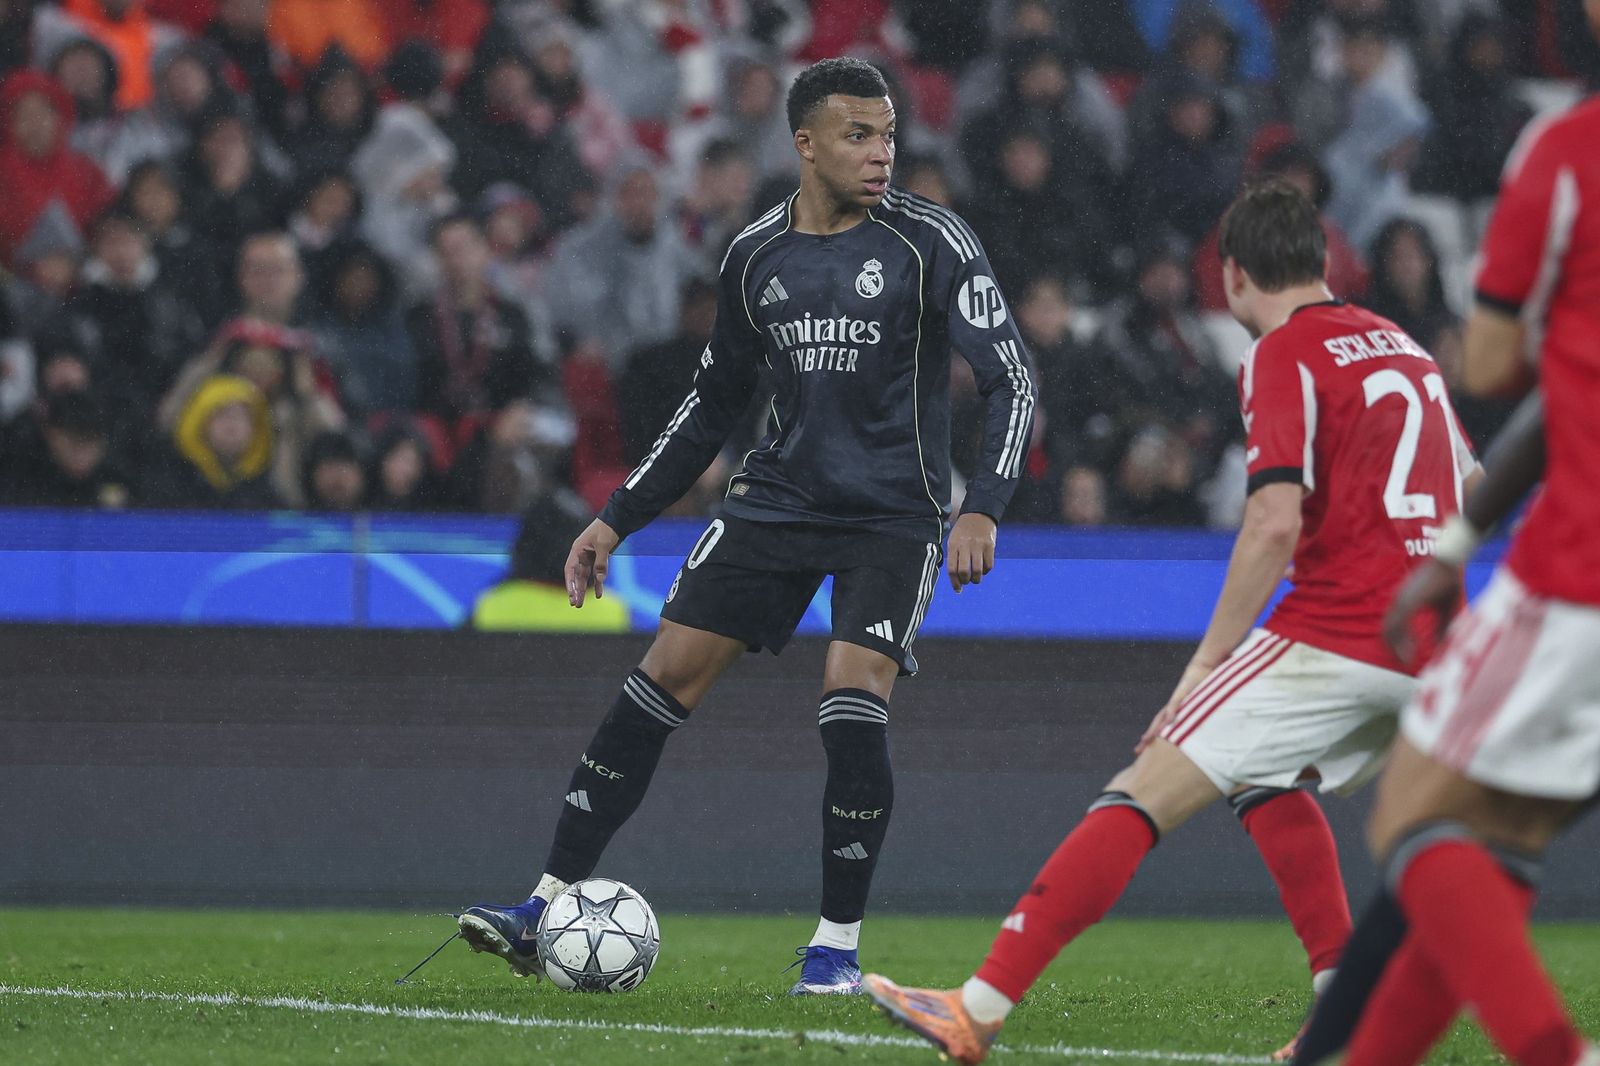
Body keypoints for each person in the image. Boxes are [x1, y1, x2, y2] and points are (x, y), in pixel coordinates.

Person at [454, 57, 1036, 998]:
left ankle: (835, 949)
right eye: (859, 135)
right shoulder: (755, 255)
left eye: (888, 135)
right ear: (804, 143)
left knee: (851, 706)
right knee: (658, 681)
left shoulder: (934, 241)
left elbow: (1012, 376)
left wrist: (985, 505)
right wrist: (616, 518)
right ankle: (543, 902)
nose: (882, 153)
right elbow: (710, 406)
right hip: (775, 504)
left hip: (894, 515)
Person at [862, 179, 1479, 1064]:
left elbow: (1273, 521)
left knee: (1143, 784)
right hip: (1436, 642)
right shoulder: (1407, 350)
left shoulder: (1281, 354)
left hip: (1338, 628)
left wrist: (1204, 665)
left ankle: (977, 1007)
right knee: (1262, 777)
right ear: (1323, 260)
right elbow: (1478, 481)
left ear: (1231, 278)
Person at [1290, 5, 1600, 1057]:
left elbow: (1494, 372)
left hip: (1579, 576)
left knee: (1412, 814)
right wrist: (1458, 545)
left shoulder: (1564, 153)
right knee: (1496, 838)